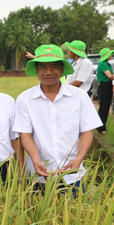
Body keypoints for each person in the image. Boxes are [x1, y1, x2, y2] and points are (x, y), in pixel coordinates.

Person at [13, 44, 102, 195]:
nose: (48, 72)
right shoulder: (25, 99)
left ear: (62, 69)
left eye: (54, 66)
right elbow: (25, 135)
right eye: (42, 67)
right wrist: (35, 159)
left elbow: (87, 132)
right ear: (36, 70)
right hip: (39, 174)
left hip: (72, 175)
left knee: (75, 216)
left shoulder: (79, 97)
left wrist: (79, 158)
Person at [95, 48, 114, 133]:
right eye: (110, 54)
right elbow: (110, 76)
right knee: (104, 107)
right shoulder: (102, 63)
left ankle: (102, 126)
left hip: (108, 86)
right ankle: (100, 127)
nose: (112, 55)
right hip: (104, 86)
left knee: (106, 106)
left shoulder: (107, 64)